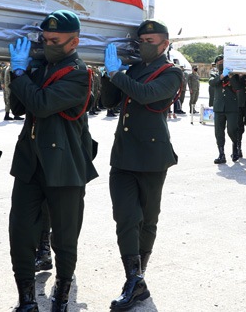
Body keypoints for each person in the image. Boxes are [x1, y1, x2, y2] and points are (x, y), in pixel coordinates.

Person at [7, 10, 97, 312]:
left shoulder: (79, 74)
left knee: (65, 236)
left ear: (74, 42)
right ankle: (26, 298)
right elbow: (18, 107)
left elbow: (42, 104)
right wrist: (19, 71)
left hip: (64, 165)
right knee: (20, 233)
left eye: (55, 41)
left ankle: (62, 292)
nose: (48, 45)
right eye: (44, 39)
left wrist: (21, 75)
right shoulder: (41, 67)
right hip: (30, 163)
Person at [102, 20, 182, 311]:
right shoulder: (133, 70)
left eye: (150, 41)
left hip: (151, 156)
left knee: (147, 219)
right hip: (123, 155)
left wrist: (117, 74)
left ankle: (138, 277)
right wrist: (106, 75)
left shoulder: (171, 72)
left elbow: (146, 95)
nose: (143, 46)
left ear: (164, 44)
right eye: (140, 41)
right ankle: (133, 279)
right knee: (126, 217)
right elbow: (109, 102)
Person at [210, 55, 241, 164]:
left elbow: (237, 87)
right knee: (219, 132)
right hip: (219, 107)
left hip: (231, 106)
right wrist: (222, 76)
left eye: (222, 62)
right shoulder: (214, 74)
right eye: (218, 62)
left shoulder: (234, 74)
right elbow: (212, 83)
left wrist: (231, 76)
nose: (220, 63)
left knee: (232, 130)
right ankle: (221, 154)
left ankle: (235, 148)